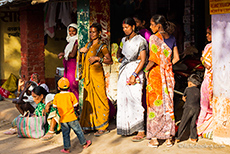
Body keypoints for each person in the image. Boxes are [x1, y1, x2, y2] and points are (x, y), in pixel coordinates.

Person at [144, 14, 179, 147]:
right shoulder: (172, 38)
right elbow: (175, 58)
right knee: (167, 105)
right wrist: (167, 67)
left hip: (157, 76)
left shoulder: (154, 38)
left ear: (158, 26)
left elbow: (153, 59)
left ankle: (154, 138)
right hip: (168, 76)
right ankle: (168, 138)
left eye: (152, 24)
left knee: (154, 107)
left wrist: (146, 70)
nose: (150, 27)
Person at [116, 17, 147, 141]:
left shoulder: (141, 41)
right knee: (123, 99)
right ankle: (127, 127)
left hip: (135, 71)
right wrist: (120, 59)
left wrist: (134, 75)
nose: (125, 30)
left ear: (133, 27)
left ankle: (140, 130)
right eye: (123, 28)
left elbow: (143, 59)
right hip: (124, 71)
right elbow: (119, 53)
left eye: (127, 27)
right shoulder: (123, 40)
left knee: (135, 99)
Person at [79, 23, 113, 136]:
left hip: (97, 76)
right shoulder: (88, 45)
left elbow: (109, 60)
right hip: (88, 76)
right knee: (89, 99)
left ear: (99, 33)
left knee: (100, 98)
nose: (91, 34)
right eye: (90, 32)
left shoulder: (101, 46)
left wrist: (98, 58)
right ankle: (89, 125)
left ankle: (102, 126)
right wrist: (82, 52)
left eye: (94, 32)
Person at [53, 77, 91, 153]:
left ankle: (66, 148)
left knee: (65, 134)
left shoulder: (57, 96)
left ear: (58, 88)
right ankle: (84, 143)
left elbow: (54, 106)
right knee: (78, 131)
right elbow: (75, 104)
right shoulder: (71, 95)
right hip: (72, 117)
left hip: (63, 119)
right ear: (69, 87)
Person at [196, 26, 213, 139]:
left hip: (209, 80)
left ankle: (199, 128)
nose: (207, 35)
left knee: (204, 106)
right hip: (213, 80)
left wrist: (202, 59)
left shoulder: (210, 47)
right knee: (210, 107)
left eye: (209, 33)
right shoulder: (210, 47)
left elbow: (206, 63)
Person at [175, 74, 202, 143]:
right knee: (193, 123)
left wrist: (186, 100)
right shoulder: (199, 90)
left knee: (183, 122)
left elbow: (184, 98)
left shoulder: (187, 89)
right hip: (196, 108)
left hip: (188, 108)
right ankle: (194, 137)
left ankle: (177, 137)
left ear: (190, 83)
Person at [58, 23, 79, 100]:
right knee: (68, 84)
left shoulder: (76, 41)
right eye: (70, 31)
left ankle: (75, 103)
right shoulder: (70, 41)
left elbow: (72, 54)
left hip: (72, 66)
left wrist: (63, 54)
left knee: (73, 85)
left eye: (74, 31)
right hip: (68, 66)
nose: (71, 33)